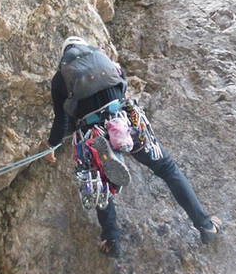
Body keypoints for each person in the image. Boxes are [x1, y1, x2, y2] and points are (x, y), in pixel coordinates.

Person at [44, 36, 222, 258]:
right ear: (84, 46)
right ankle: (205, 225)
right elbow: (123, 84)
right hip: (126, 121)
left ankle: (111, 240)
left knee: (99, 183)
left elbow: (61, 121)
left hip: (92, 131)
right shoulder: (102, 56)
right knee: (166, 168)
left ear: (65, 56)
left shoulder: (60, 78)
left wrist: (51, 146)